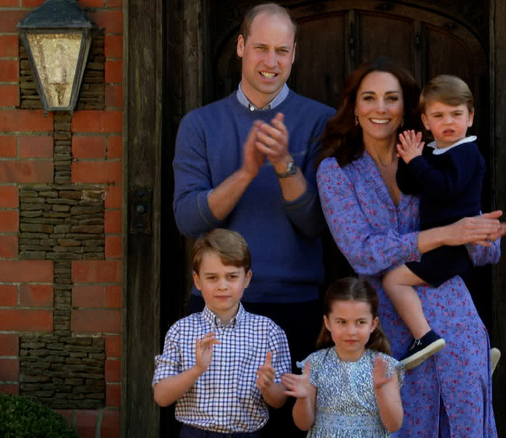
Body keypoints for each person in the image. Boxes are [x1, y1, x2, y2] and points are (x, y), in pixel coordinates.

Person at [316, 58, 506, 437]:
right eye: (369, 98)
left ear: (405, 109)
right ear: (354, 108)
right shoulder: (337, 171)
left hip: (455, 316)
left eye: (391, 98)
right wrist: (442, 235)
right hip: (386, 324)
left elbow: (476, 241)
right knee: (403, 426)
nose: (380, 108)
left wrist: (483, 235)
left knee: (464, 424)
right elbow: (361, 252)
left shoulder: (435, 158)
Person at [172, 3, 335, 436]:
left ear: (295, 54)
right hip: (218, 309)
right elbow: (189, 220)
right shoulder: (200, 125)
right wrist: (245, 172)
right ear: (241, 46)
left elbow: (319, 223)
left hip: (296, 309)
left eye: (282, 50)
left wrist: (283, 164)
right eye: (261, 47)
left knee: (291, 430)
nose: (271, 61)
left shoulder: (321, 122)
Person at [382, 74, 491, 370]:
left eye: (456, 114)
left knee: (393, 280)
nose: (449, 122)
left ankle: (424, 337)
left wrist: (418, 161)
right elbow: (410, 185)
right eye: (439, 115)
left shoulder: (467, 153)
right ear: (426, 121)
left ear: (470, 117)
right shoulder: (434, 151)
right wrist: (409, 157)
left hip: (452, 247)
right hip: (438, 242)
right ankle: (473, 354)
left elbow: (445, 189)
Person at [152, 228, 291, 437]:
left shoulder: (268, 332)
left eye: (232, 276)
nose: (222, 286)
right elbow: (161, 396)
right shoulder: (181, 331)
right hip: (195, 432)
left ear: (247, 278)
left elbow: (279, 401)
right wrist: (197, 369)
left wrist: (269, 387)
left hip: (247, 433)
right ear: (197, 281)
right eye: (212, 278)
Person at [282, 277, 403, 437]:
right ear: (328, 322)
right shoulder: (315, 363)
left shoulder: (384, 365)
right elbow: (303, 424)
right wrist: (303, 398)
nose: (351, 331)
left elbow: (394, 425)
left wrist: (381, 390)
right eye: (342, 322)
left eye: (360, 322)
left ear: (373, 324)